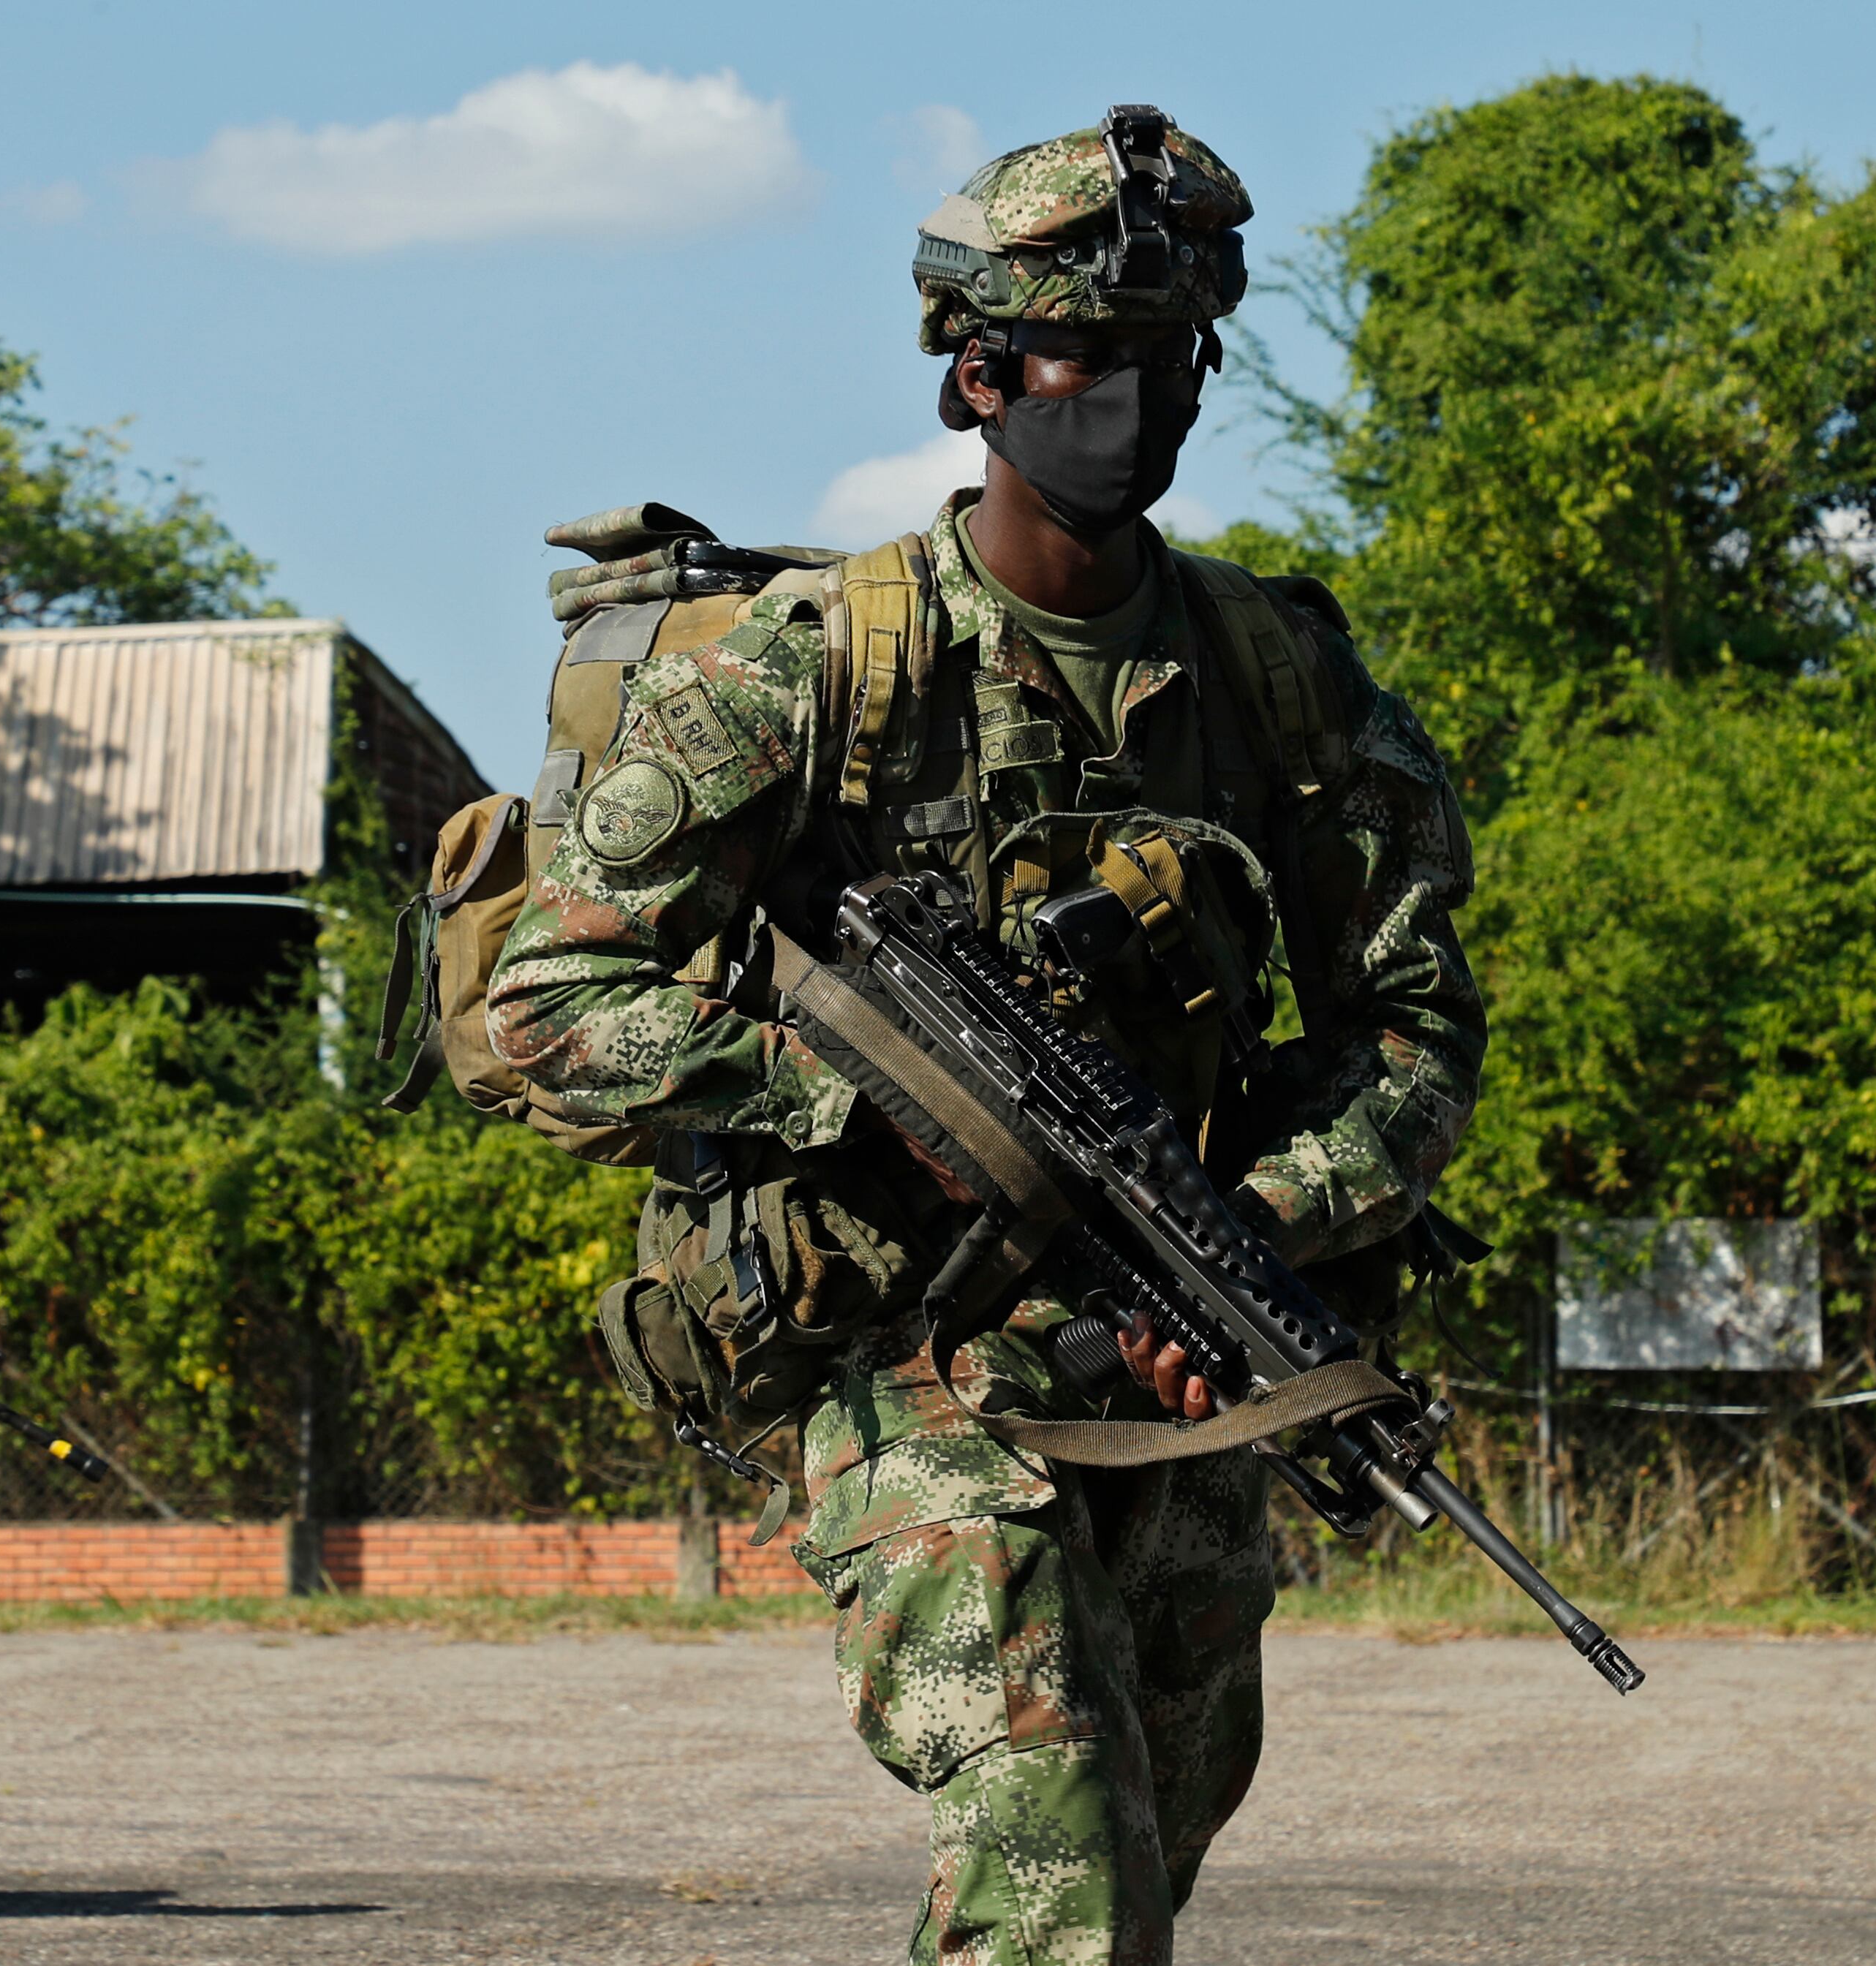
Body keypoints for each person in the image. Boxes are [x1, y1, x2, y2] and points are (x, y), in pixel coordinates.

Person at [486, 107, 1483, 1964]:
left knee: (1146, 1846)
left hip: (1175, 1346)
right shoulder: (803, 666)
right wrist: (851, 1089)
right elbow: (548, 1006)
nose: (1133, 398)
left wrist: (1257, 1229)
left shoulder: (1277, 675)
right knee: (1053, 1865)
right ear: (973, 377)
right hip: (899, 1360)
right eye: (1087, 357)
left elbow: (1412, 1029)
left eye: (1171, 353)